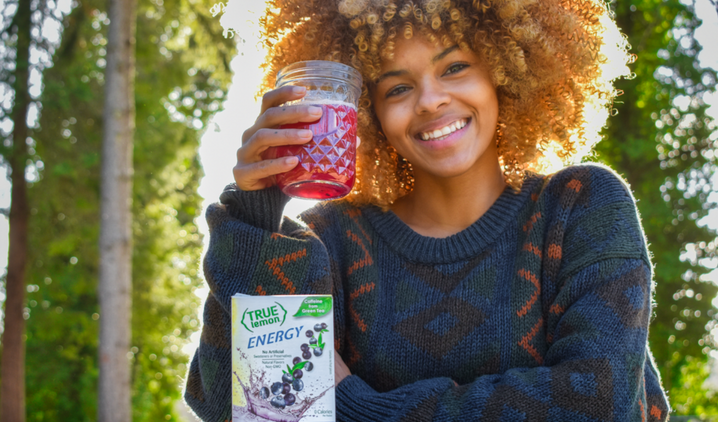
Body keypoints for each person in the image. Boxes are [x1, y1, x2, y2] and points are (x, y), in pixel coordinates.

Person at [185, 0, 671, 420]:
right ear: (369, 113)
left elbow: (598, 404)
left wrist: (354, 407)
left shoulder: (578, 206)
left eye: (454, 67)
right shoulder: (327, 240)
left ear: (505, 69)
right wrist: (257, 213)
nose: (431, 101)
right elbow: (248, 407)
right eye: (397, 88)